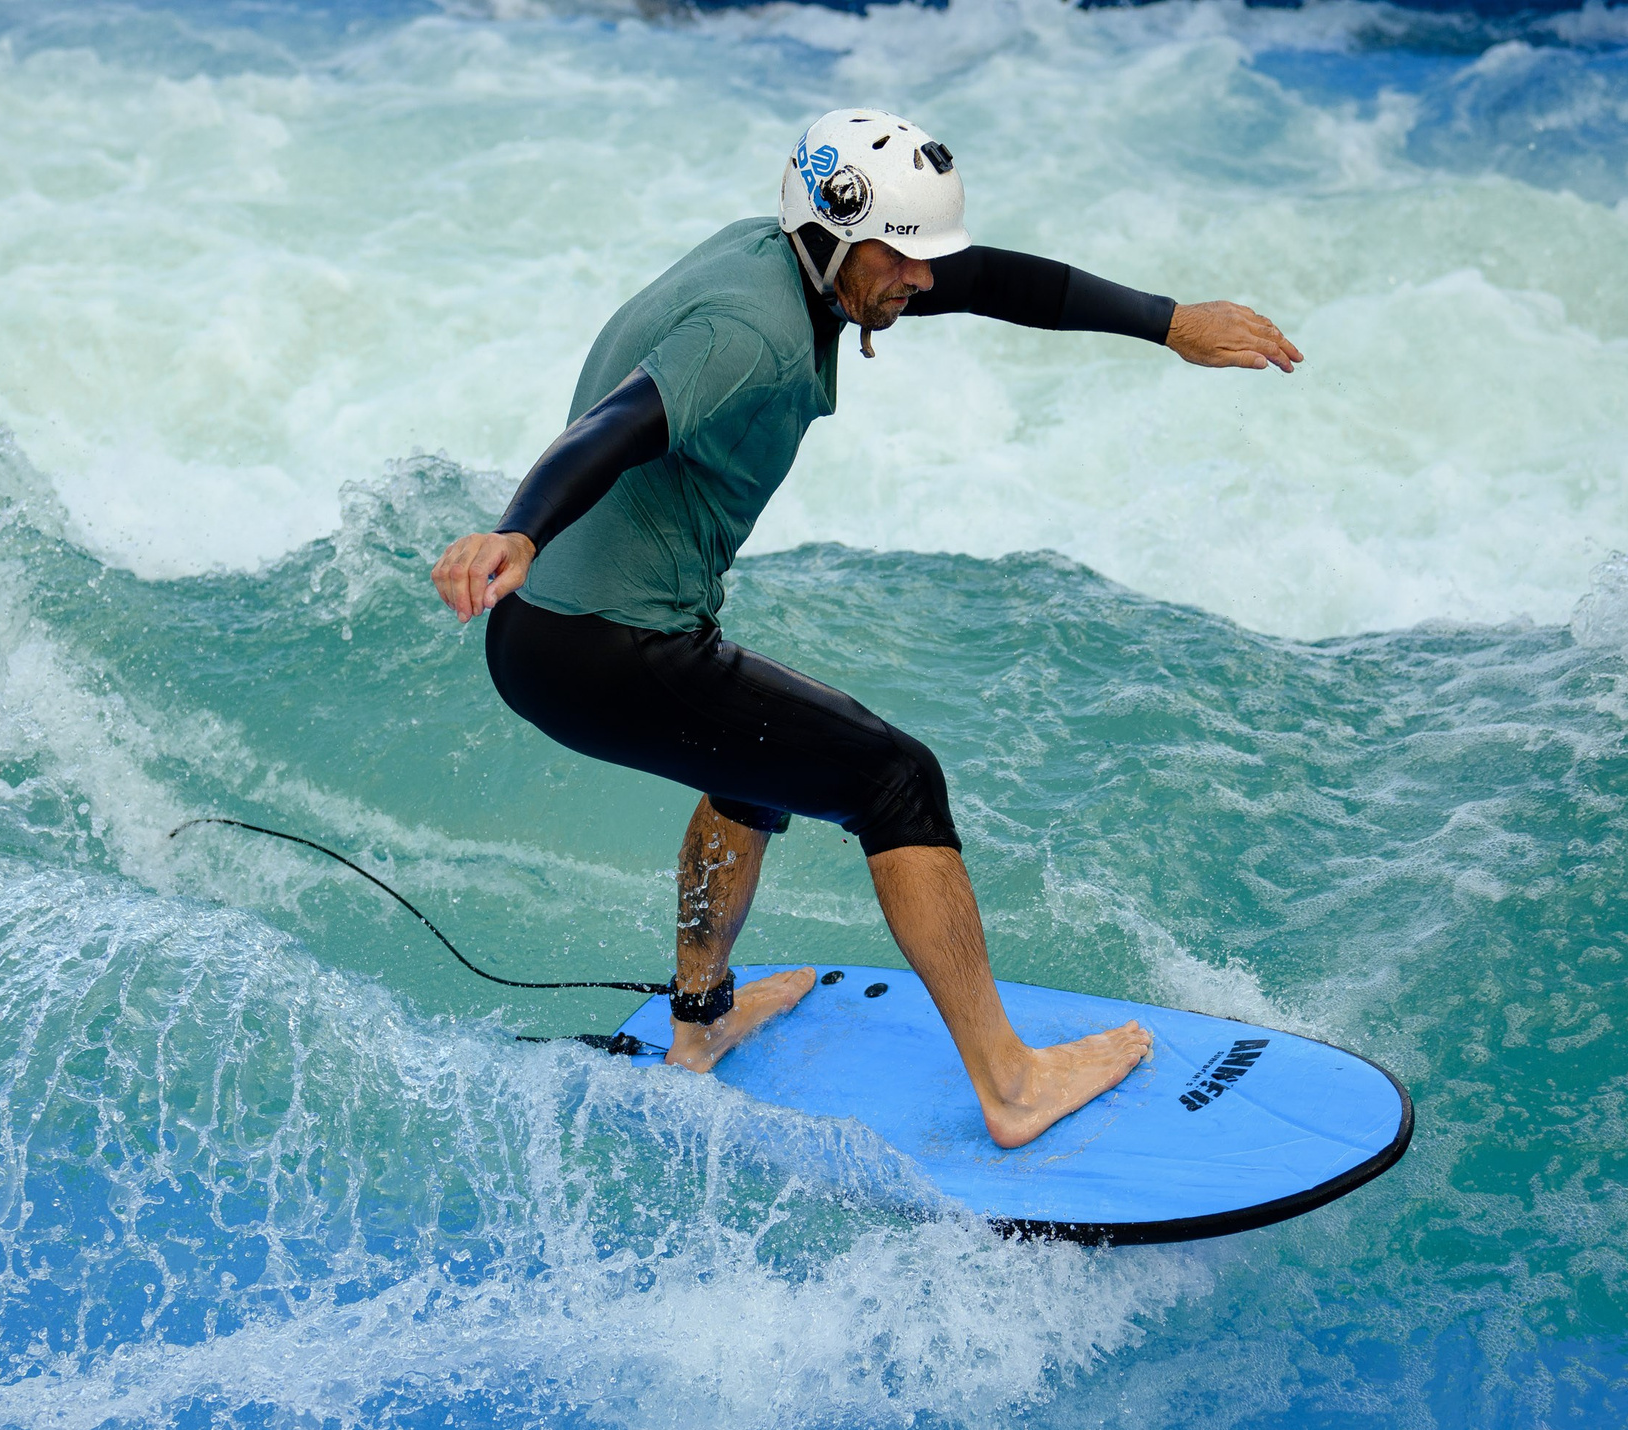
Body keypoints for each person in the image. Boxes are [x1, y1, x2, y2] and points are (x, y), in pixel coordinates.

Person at [429, 109, 1300, 1149]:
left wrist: (1169, 321)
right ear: (834, 234)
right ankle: (1012, 1085)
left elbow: (988, 279)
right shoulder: (749, 333)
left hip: (569, 632)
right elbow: (614, 426)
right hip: (597, 645)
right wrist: (519, 529)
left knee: (751, 765)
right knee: (897, 780)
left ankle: (702, 1023)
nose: (921, 280)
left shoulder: (799, 257)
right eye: (903, 256)